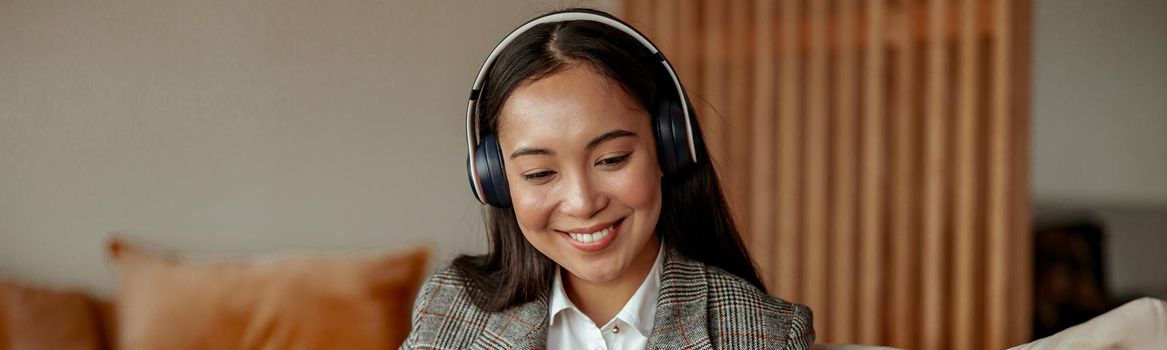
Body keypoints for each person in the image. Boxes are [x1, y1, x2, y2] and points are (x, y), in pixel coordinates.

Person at [402, 8, 814, 349]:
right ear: (494, 181)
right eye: (540, 173)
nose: (583, 202)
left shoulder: (765, 334)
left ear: (668, 148)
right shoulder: (450, 307)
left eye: (612, 159)